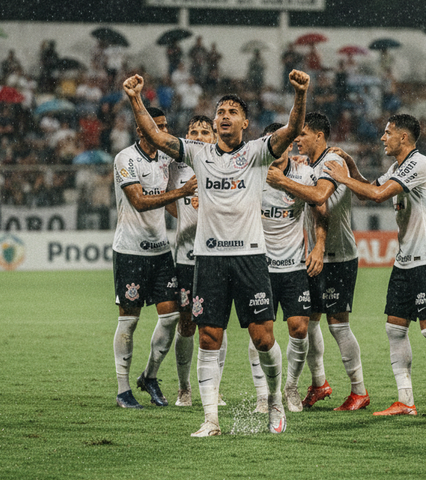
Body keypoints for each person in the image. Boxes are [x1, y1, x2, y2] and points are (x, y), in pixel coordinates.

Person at [122, 68, 310, 436]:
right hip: (208, 261)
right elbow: (157, 136)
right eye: (219, 112)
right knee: (208, 337)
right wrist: (134, 99)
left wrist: (300, 95)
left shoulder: (258, 152)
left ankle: (274, 401)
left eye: (231, 112)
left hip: (251, 258)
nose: (223, 116)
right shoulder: (198, 152)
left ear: (244, 122)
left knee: (264, 338)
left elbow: (290, 130)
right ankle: (210, 419)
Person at [323, 113, 426, 417]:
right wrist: (351, 167)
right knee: (394, 329)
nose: (383, 138)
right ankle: (406, 401)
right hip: (406, 259)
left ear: (403, 138)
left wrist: (341, 177)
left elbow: (380, 193)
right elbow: (371, 189)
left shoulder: (418, 164)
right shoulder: (397, 167)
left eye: (388, 133)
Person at [266, 112, 370, 412]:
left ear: (319, 136)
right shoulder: (308, 164)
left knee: (338, 325)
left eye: (302, 135)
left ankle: (358, 390)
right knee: (308, 323)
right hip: (312, 257)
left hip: (338, 255)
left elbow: (320, 197)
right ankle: (319, 382)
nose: (296, 140)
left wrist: (283, 181)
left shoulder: (331, 162)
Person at [111, 107, 198, 410]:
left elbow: (194, 161)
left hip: (161, 251)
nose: (160, 131)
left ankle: (149, 376)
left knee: (172, 316)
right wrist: (182, 193)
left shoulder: (166, 157)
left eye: (163, 126)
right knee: (130, 321)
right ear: (140, 129)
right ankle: (123, 390)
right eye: (154, 126)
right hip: (131, 251)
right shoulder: (125, 159)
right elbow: (139, 200)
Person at [250, 122, 325, 414]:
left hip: (294, 265)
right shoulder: (253, 174)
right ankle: (262, 395)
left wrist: (319, 245)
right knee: (260, 333)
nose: (277, 149)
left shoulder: (304, 174)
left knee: (299, 328)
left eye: (282, 143)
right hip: (259, 265)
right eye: (272, 144)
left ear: (289, 145)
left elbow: (320, 211)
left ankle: (291, 386)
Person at [165, 115, 227, 408]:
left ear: (214, 136)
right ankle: (184, 388)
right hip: (185, 258)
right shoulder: (175, 166)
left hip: (216, 256)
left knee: (216, 324)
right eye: (194, 131)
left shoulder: (223, 164)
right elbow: (169, 202)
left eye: (205, 132)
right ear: (186, 135)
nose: (199, 136)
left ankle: (215, 388)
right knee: (187, 324)